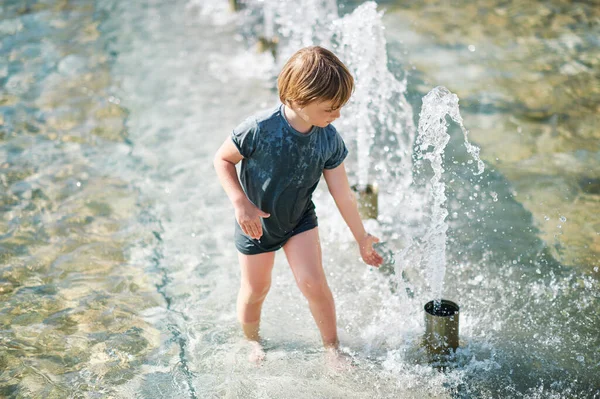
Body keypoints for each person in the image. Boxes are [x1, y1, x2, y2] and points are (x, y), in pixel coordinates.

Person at [213, 46, 383, 365]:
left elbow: (342, 193)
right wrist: (240, 203)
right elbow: (222, 160)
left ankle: (332, 348)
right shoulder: (259, 128)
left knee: (314, 283)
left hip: (299, 219)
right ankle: (253, 342)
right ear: (299, 99)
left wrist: (362, 236)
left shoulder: (328, 138)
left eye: (340, 107)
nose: (337, 115)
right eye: (331, 108)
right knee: (256, 288)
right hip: (256, 222)